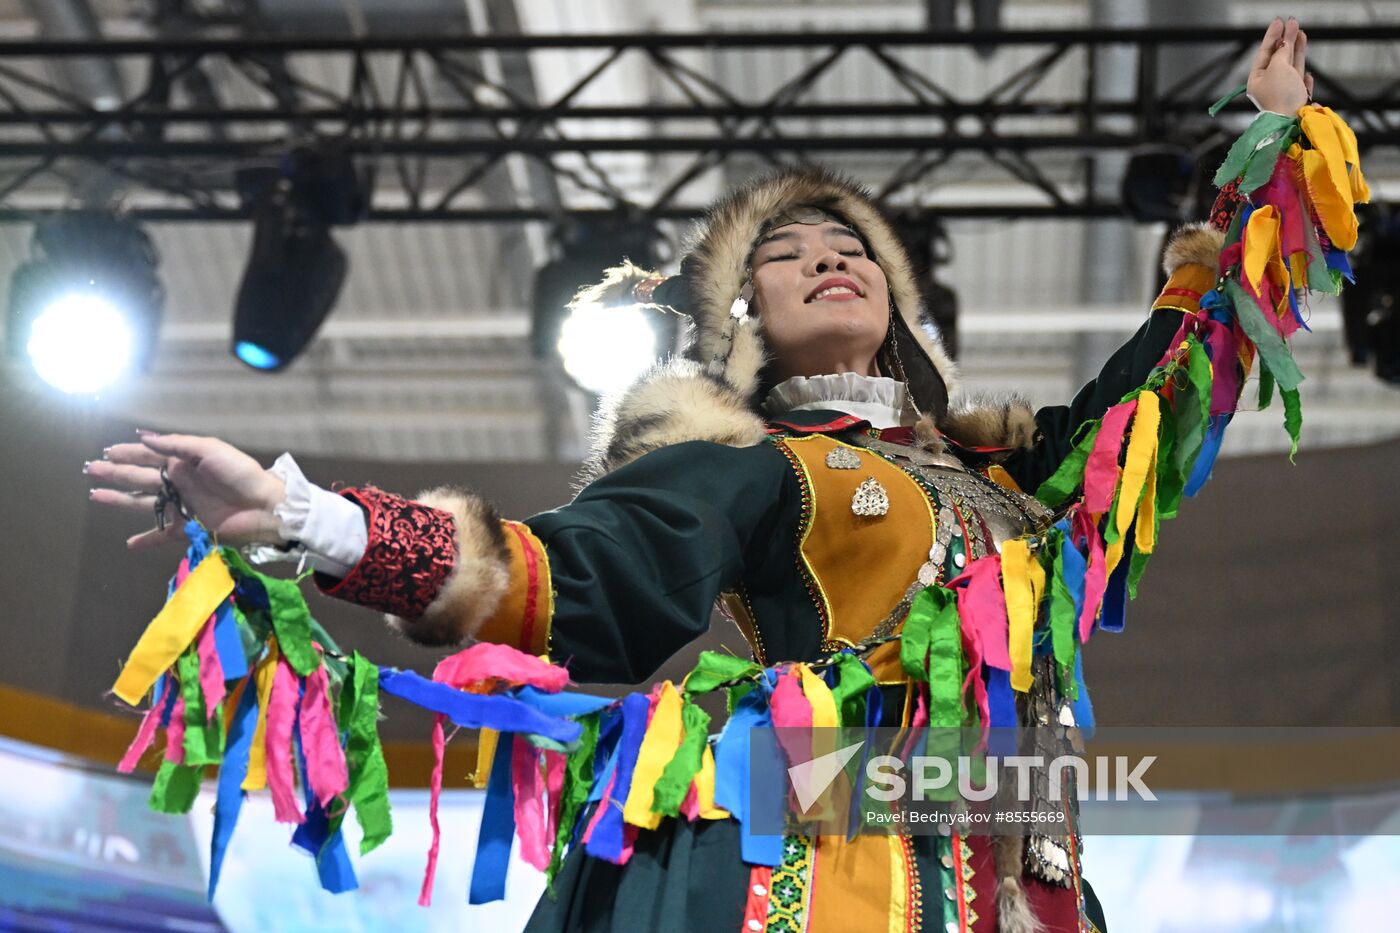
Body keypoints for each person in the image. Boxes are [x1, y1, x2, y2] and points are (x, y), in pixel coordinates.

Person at [86, 18, 1323, 933]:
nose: (827, 258)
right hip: (826, 878)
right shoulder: (749, 472)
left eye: (850, 246)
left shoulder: (1024, 481)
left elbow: (1175, 378)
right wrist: (302, 516)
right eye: (785, 256)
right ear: (746, 324)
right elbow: (580, 576)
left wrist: (1263, 158)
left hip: (1028, 881)